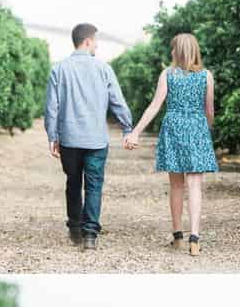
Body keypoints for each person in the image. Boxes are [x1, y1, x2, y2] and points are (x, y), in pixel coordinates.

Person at [124, 33, 218, 256]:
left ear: (179, 50)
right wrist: (205, 130)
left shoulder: (168, 74)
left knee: (176, 185)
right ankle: (195, 239)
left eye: (173, 48)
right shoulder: (207, 76)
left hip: (173, 128)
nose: (171, 52)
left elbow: (154, 106)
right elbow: (209, 111)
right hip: (197, 128)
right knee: (195, 186)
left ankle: (178, 236)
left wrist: (135, 132)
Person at [44, 23, 133, 250]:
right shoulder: (104, 69)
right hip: (96, 139)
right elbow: (118, 102)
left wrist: (52, 136)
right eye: (95, 41)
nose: (97, 45)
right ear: (87, 41)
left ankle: (75, 228)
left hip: (70, 139)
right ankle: (90, 234)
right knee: (94, 185)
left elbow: (51, 108)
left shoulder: (59, 69)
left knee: (73, 183)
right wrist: (127, 128)